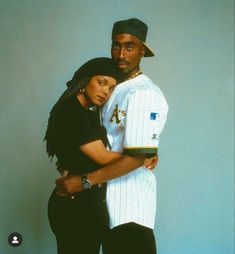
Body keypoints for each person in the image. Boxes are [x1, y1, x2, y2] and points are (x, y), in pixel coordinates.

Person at [56, 18, 168, 254]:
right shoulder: (110, 86)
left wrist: (84, 181)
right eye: (116, 45)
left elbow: (136, 158)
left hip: (130, 208)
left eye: (129, 46)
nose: (121, 53)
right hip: (101, 206)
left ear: (142, 50)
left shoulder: (143, 93)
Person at [45, 57, 123, 254]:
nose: (106, 91)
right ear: (85, 81)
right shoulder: (71, 110)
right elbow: (102, 158)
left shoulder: (86, 113)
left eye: (112, 87)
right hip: (74, 206)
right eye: (101, 82)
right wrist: (140, 158)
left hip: (84, 203)